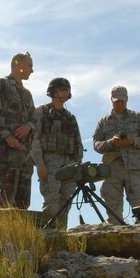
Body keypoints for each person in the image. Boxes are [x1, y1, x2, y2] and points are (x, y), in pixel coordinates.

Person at [93, 85, 140, 224]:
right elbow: (96, 144)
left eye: (122, 101)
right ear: (111, 100)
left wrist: (133, 140)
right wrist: (111, 143)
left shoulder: (137, 118)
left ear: (126, 100)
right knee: (113, 212)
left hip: (134, 170)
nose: (119, 104)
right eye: (116, 101)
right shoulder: (103, 121)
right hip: (111, 171)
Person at [31, 78, 83, 227]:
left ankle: (60, 235)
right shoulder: (41, 112)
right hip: (49, 163)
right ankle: (47, 236)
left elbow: (78, 143)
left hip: (69, 165)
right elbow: (34, 139)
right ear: (53, 92)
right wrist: (39, 163)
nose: (65, 93)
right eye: (62, 90)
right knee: (51, 201)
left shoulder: (70, 117)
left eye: (67, 90)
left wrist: (77, 166)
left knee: (67, 202)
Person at [0, 52, 35, 208]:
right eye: (29, 65)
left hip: (26, 150)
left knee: (24, 194)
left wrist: (29, 126)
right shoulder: (1, 85)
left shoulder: (27, 94)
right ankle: (2, 228)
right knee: (7, 190)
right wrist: (7, 136)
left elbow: (34, 118)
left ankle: (21, 228)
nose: (32, 70)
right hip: (8, 147)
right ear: (18, 64)